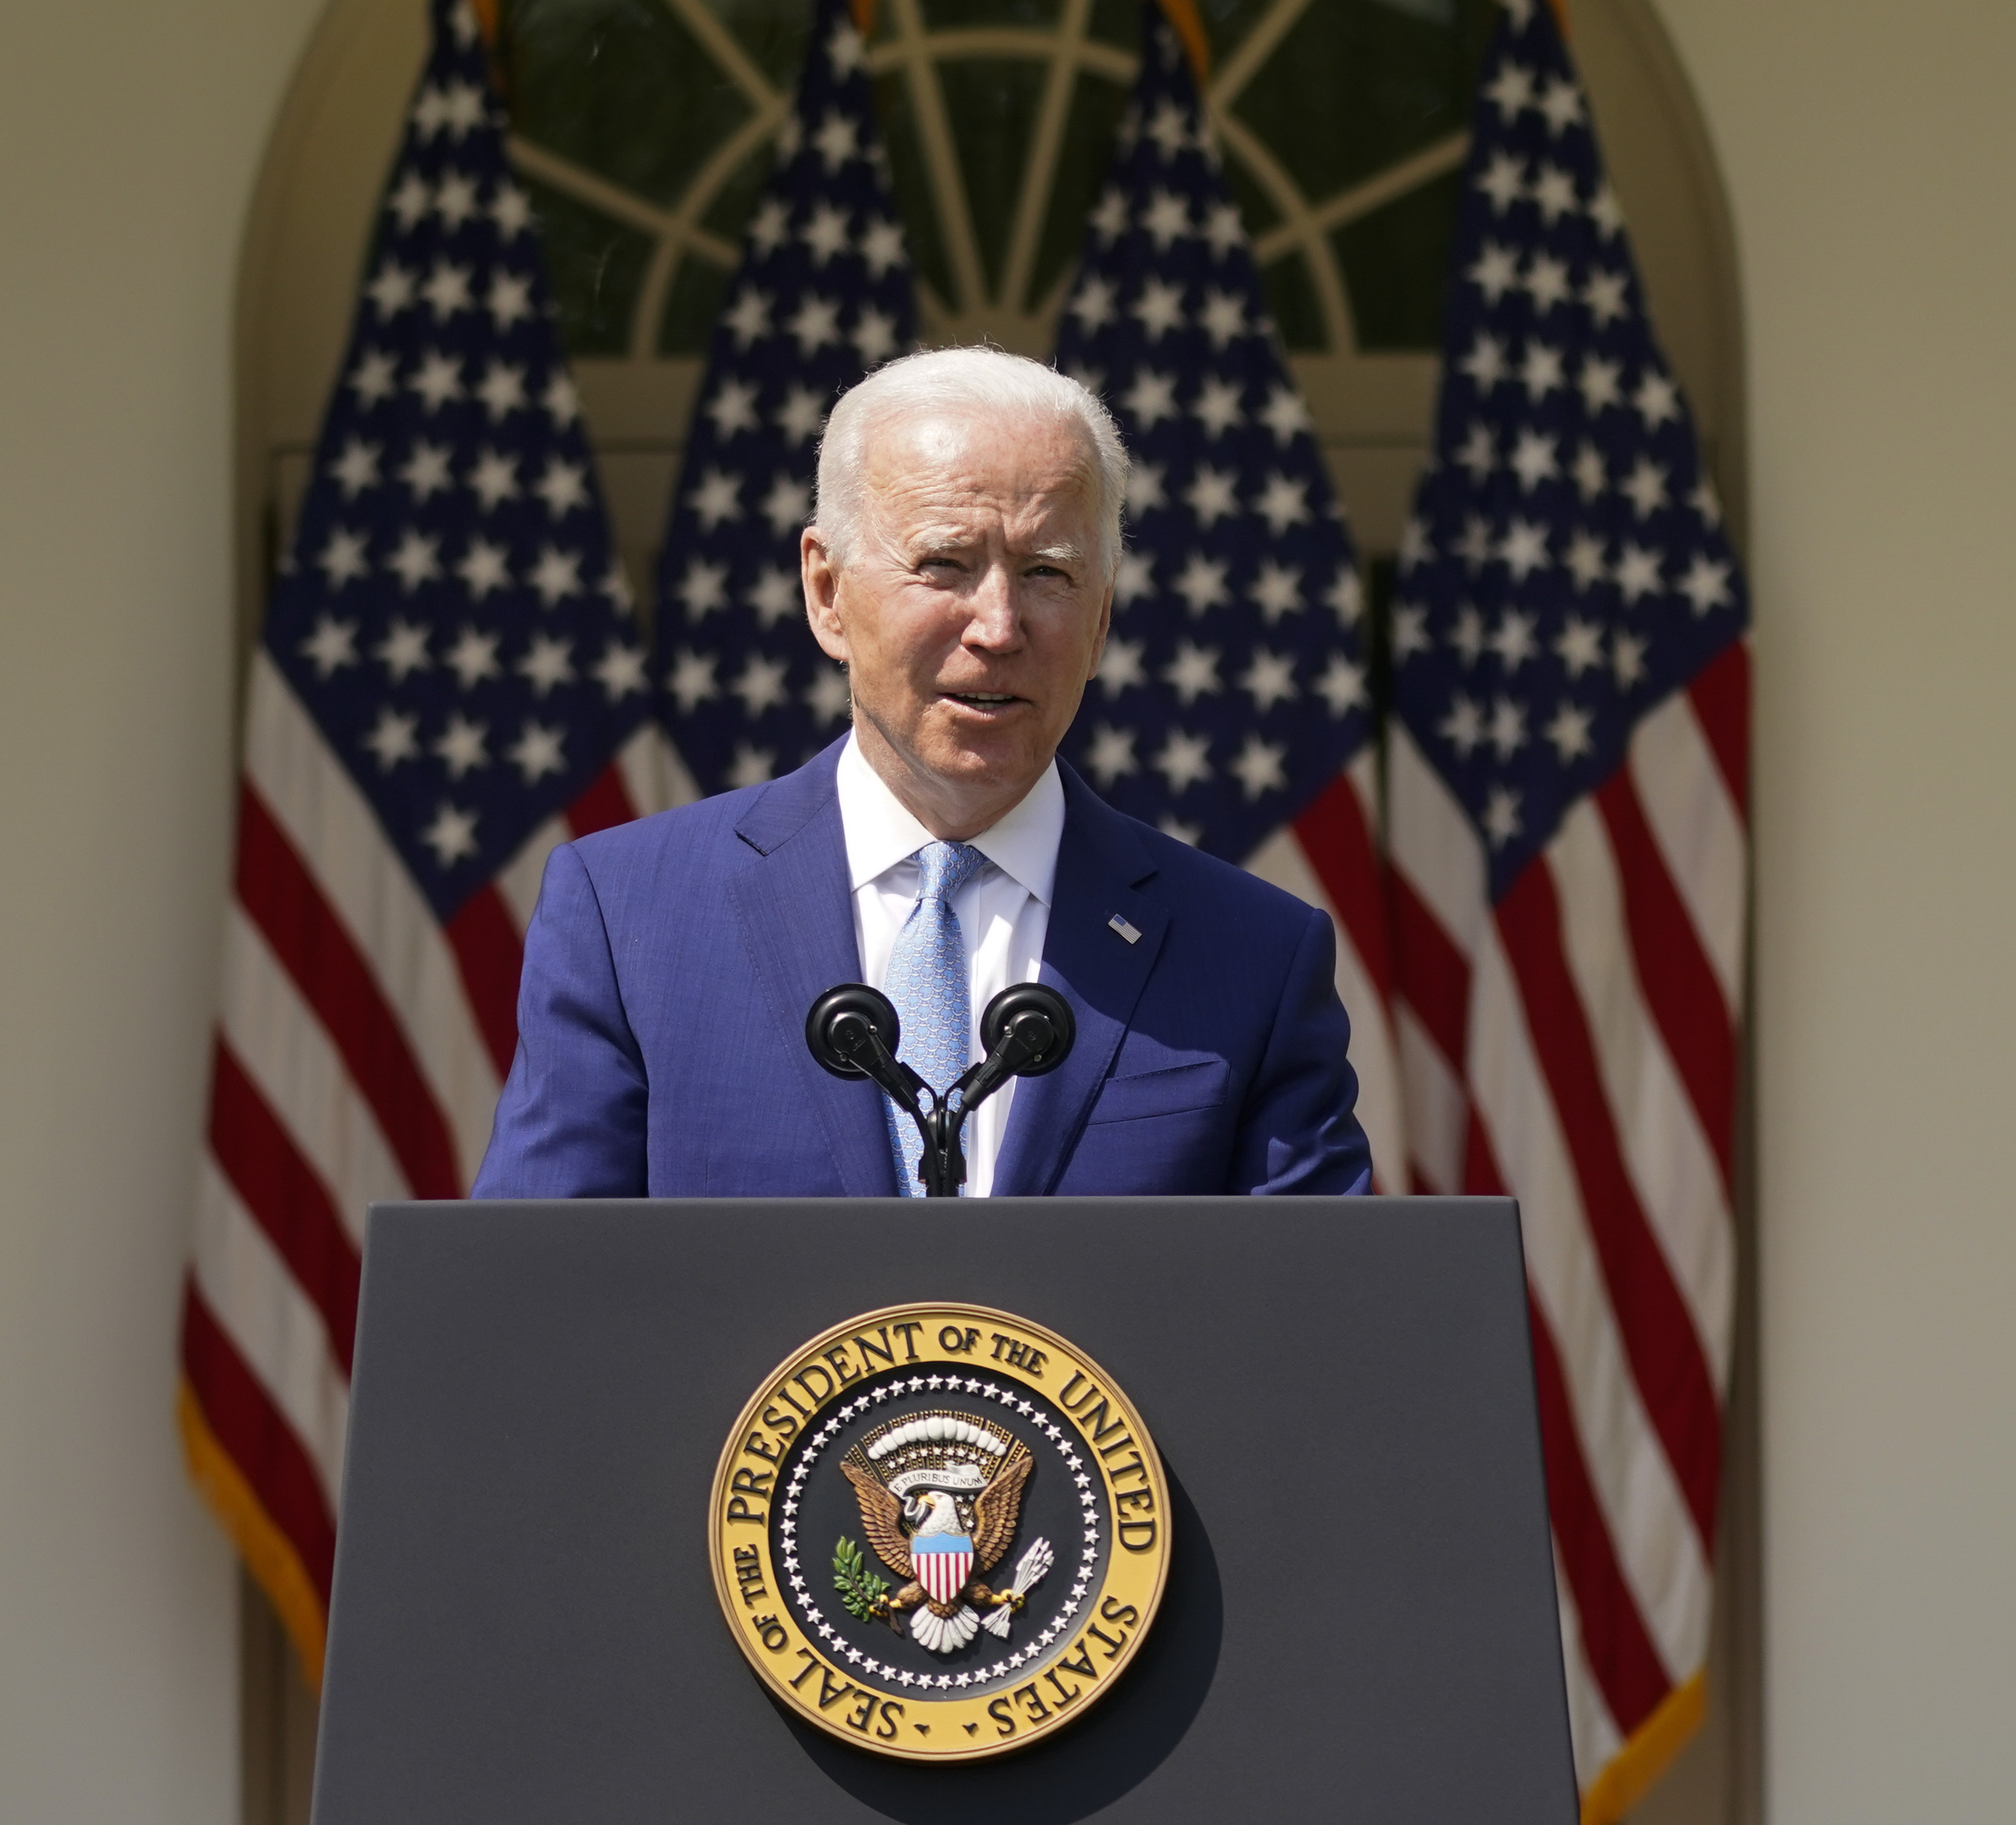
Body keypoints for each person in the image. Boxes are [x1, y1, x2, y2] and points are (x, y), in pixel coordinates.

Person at [476, 344, 1370, 1198]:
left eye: (1048, 573)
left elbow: (1320, 1323)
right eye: (944, 565)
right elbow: (532, 1306)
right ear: (827, 593)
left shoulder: (1252, 954)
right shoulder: (629, 916)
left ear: (1101, 621)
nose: (998, 626)